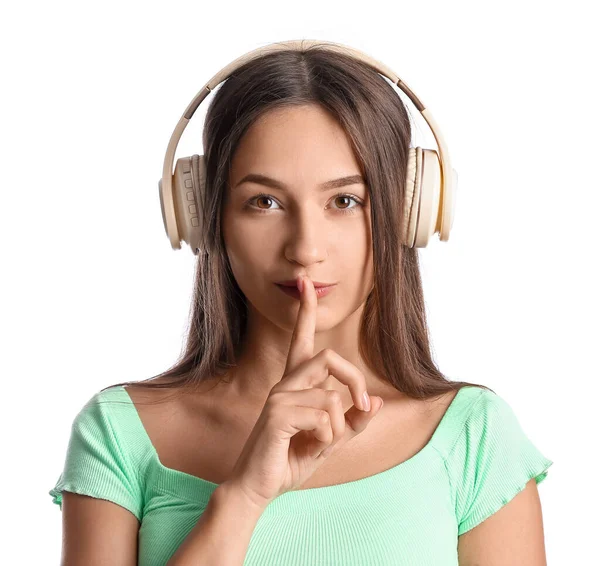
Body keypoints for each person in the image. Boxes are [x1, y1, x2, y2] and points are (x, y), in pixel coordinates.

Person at [49, 42, 553, 565]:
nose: (305, 249)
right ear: (204, 217)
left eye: (345, 201)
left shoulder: (475, 436)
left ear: (408, 212)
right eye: (263, 202)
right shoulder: (119, 432)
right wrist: (243, 495)